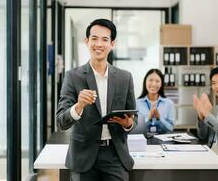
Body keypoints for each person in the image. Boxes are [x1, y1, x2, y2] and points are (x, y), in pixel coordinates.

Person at [56, 19, 138, 181]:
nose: (99, 44)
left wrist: (128, 124)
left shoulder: (125, 78)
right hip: (83, 156)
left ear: (112, 44)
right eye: (94, 38)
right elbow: (61, 122)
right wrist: (79, 106)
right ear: (87, 41)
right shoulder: (73, 77)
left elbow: (133, 119)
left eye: (105, 39)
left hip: (115, 156)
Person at [136, 69, 175, 135]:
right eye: (150, 80)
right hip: (143, 141)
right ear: (145, 82)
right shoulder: (137, 103)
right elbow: (136, 129)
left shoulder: (169, 103)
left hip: (163, 142)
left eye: (157, 81)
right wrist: (148, 117)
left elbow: (171, 129)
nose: (154, 84)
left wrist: (159, 118)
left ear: (161, 84)